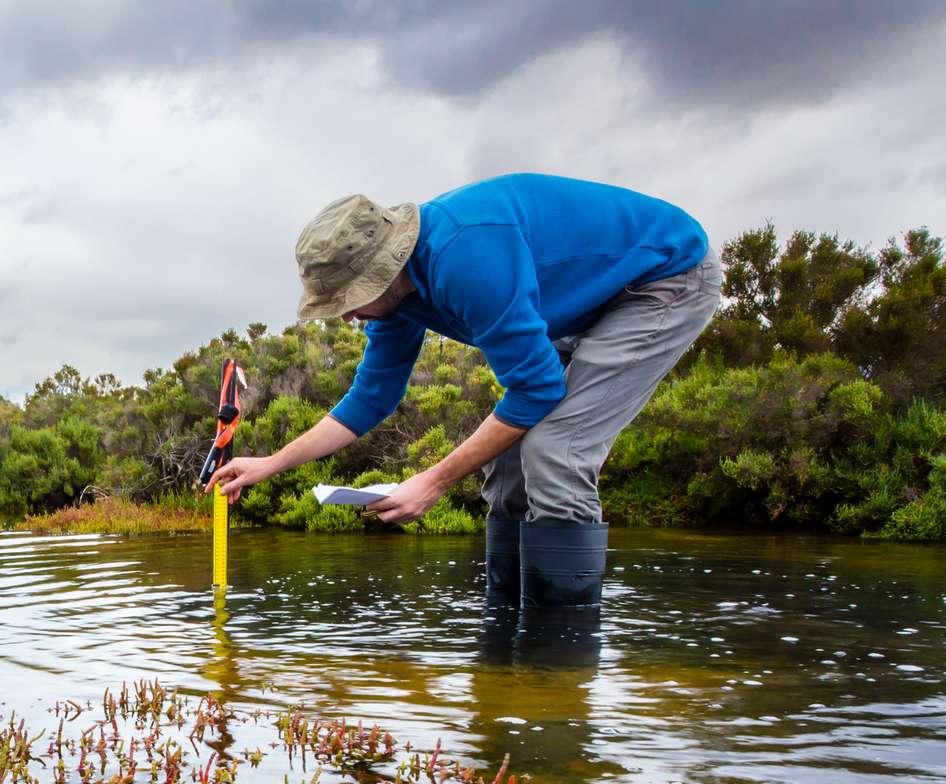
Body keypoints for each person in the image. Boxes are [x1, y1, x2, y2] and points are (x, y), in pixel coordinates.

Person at [212, 173, 722, 608]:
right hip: (585, 304)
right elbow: (372, 396)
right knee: (504, 462)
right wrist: (271, 463)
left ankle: (558, 660)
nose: (348, 314)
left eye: (354, 298)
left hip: (662, 281)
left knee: (554, 450)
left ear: (387, 270)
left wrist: (433, 482)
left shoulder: (467, 258)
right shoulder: (399, 299)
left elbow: (537, 390)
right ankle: (505, 639)